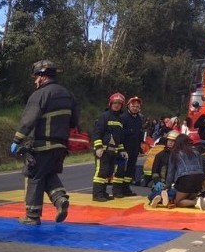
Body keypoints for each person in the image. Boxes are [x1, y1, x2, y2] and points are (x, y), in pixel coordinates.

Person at [11, 60, 78, 224]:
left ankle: (32, 216)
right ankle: (60, 199)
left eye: (36, 77)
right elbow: (74, 121)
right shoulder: (68, 95)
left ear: (42, 76)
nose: (35, 81)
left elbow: (29, 119)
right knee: (48, 174)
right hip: (60, 147)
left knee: (34, 176)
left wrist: (17, 140)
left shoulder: (40, 94)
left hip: (42, 145)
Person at [91, 93, 125, 202]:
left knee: (108, 173)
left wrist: (122, 150)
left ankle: (103, 193)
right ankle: (97, 194)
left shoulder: (119, 119)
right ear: (110, 104)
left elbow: (119, 138)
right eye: (115, 103)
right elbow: (97, 133)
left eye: (119, 103)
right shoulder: (104, 116)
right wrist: (98, 147)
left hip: (113, 151)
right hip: (103, 150)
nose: (117, 105)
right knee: (101, 172)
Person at [163, 134, 205, 208]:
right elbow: (202, 167)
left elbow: (171, 172)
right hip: (199, 177)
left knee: (178, 202)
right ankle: (199, 200)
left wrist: (167, 186)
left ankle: (196, 202)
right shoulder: (196, 152)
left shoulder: (175, 153)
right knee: (188, 198)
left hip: (186, 178)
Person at [118, 96, 144, 196]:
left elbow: (139, 133)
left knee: (131, 169)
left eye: (137, 106)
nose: (135, 108)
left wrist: (140, 146)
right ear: (128, 106)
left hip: (134, 148)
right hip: (124, 148)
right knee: (121, 169)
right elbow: (120, 134)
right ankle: (118, 190)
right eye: (133, 106)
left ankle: (126, 188)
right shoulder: (123, 118)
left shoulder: (139, 118)